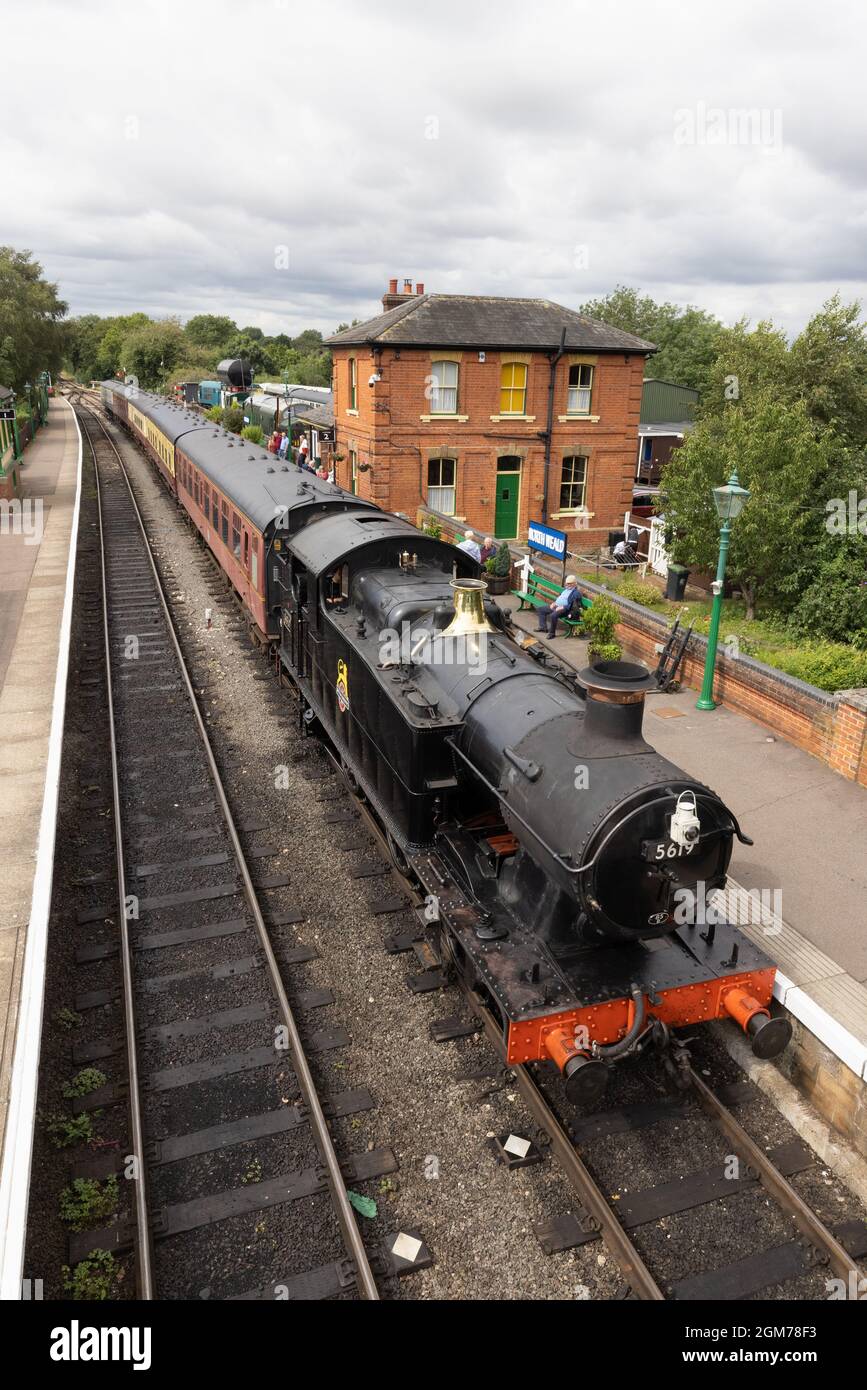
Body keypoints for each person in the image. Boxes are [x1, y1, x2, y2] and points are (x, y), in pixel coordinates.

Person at [537, 574, 582, 638]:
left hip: (566, 610)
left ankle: (552, 633)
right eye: (567, 583)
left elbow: (573, 606)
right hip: (557, 606)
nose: (567, 585)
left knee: (553, 615)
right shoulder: (566, 590)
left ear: (574, 584)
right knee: (541, 609)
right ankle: (543, 627)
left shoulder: (576, 593)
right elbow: (561, 598)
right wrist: (554, 603)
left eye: (569, 583)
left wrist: (563, 607)